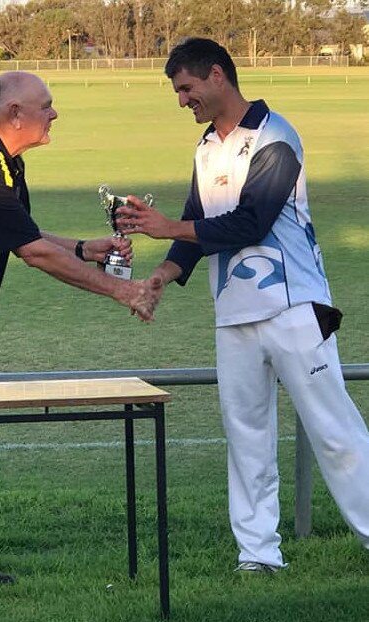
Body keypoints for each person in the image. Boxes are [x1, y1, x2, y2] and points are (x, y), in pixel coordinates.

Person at [116, 37, 369, 572]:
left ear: (215, 75)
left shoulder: (277, 135)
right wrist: (161, 274)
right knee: (246, 437)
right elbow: (196, 225)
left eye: (186, 89)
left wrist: (168, 227)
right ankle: (258, 555)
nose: (182, 101)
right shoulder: (207, 148)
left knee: (335, 432)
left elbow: (249, 222)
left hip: (296, 309)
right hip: (233, 316)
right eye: (178, 93)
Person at [0, 71, 161, 584]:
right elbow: (33, 252)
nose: (55, 113)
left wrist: (88, 247)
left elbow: (22, 231)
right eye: (46, 105)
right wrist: (123, 290)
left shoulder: (2, 160)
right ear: (14, 113)